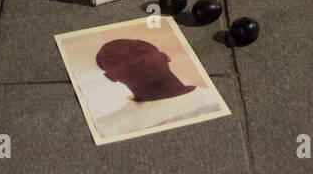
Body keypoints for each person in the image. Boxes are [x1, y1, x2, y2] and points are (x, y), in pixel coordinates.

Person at [89, 39, 224, 140]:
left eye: (141, 52)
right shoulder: (105, 128)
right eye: (117, 61)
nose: (135, 61)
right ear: (111, 77)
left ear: (164, 56)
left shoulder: (218, 98)